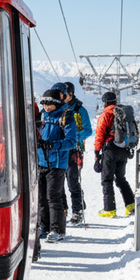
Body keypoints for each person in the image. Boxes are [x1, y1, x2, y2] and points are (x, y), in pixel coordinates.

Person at [37, 88, 77, 243]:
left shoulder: (66, 116)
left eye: (50, 103)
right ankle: (44, 227)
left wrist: (53, 145)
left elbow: (71, 141)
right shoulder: (41, 116)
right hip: (41, 162)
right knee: (41, 197)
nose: (46, 106)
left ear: (57, 103)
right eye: (44, 103)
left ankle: (57, 230)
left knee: (53, 197)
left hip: (57, 163)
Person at [93, 90, 135, 217]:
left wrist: (96, 151)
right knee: (121, 179)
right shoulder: (122, 113)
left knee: (107, 179)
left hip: (110, 149)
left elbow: (100, 134)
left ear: (105, 103)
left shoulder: (105, 114)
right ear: (115, 101)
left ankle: (109, 209)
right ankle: (130, 205)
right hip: (123, 149)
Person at [59, 81, 93, 225]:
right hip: (59, 149)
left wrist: (74, 136)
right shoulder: (57, 108)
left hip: (73, 150)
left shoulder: (79, 110)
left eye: (66, 94)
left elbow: (87, 130)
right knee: (58, 183)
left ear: (71, 94)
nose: (64, 97)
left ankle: (77, 211)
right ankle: (63, 210)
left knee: (72, 181)